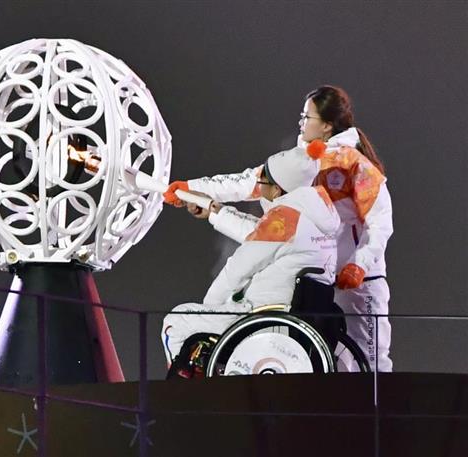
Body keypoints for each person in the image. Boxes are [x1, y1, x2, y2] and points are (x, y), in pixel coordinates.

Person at [164, 86, 393, 372]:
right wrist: (193, 188)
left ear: (326, 125)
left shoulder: (354, 166)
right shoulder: (300, 162)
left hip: (357, 281)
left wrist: (359, 265)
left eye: (307, 117)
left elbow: (380, 223)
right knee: (332, 365)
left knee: (371, 361)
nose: (301, 122)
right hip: (317, 278)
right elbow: (251, 186)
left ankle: (382, 404)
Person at [161, 145, 340, 377]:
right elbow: (260, 235)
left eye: (262, 182)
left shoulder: (284, 219)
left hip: (261, 316)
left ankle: (186, 388)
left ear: (277, 189)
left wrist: (211, 306)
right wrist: (216, 211)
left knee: (177, 321)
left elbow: (239, 267)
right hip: (294, 315)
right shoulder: (315, 218)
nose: (258, 186)